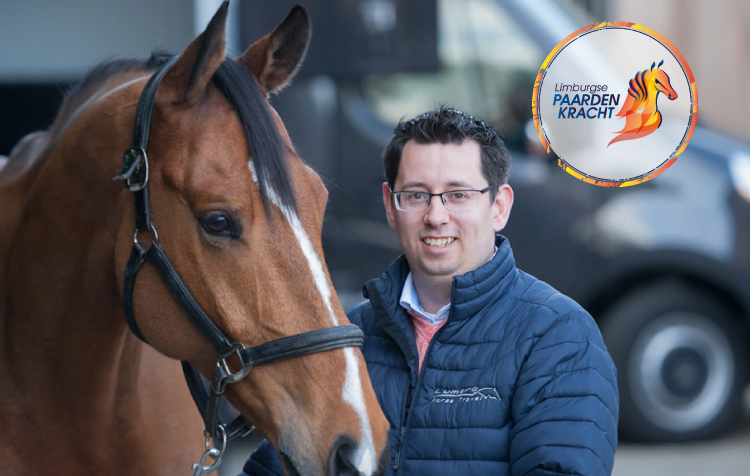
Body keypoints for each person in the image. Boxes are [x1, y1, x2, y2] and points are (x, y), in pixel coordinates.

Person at [241, 107, 618, 476]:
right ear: (391, 206)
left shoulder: (559, 336)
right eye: (417, 195)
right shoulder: (346, 336)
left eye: (458, 194)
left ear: (498, 206)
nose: (436, 216)